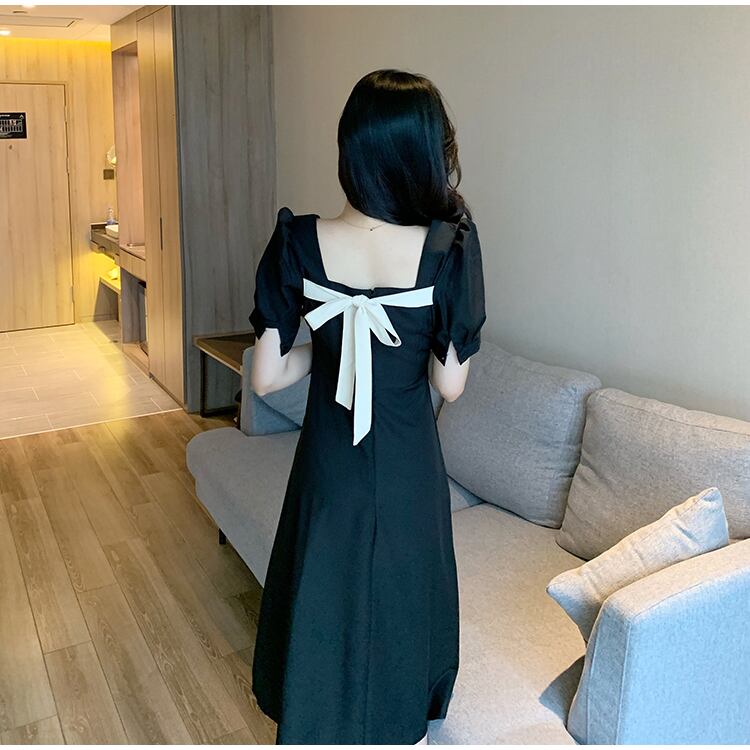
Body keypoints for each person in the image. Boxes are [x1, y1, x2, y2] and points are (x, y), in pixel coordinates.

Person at [248, 68, 486, 745]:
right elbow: (450, 386)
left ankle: (316, 717)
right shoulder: (448, 248)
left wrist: (329, 350)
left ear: (350, 148)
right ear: (423, 153)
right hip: (408, 461)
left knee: (325, 584)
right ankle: (399, 724)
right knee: (404, 593)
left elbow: (266, 377)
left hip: (329, 460)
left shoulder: (298, 242)